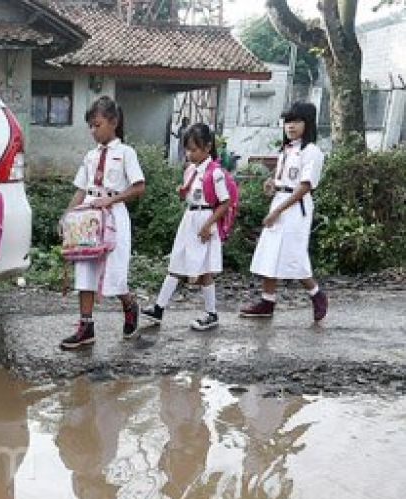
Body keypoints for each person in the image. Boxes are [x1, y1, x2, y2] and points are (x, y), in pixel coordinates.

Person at [60, 96, 146, 351]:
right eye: (91, 126)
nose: (93, 131)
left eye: (97, 125)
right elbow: (80, 189)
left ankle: (129, 304)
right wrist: (67, 216)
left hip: (113, 217)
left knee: (114, 273)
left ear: (113, 122)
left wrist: (112, 199)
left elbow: (139, 186)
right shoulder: (89, 156)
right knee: (85, 270)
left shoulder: (126, 153)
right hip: (88, 216)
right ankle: (85, 327)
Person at [241, 102, 328, 321]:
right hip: (280, 201)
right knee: (269, 252)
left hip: (295, 208)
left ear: (307, 124)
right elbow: (284, 179)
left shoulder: (312, 152)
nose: (291, 126)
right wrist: (272, 184)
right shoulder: (286, 150)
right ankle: (267, 300)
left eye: (297, 121)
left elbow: (304, 186)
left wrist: (278, 210)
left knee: (293, 254)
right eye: (288, 121)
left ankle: (316, 294)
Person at [141, 123, 228, 331]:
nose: (189, 154)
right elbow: (192, 194)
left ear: (207, 147)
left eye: (194, 149)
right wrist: (183, 193)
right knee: (176, 261)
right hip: (190, 218)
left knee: (205, 270)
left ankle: (211, 313)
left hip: (205, 219)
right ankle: (159, 308)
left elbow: (224, 203)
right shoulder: (191, 170)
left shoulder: (215, 173)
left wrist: (208, 225)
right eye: (187, 149)